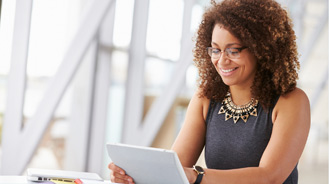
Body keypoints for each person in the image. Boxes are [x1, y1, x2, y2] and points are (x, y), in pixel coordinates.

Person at [108, 0, 310, 183]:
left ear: (262, 49)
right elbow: (174, 169)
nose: (222, 60)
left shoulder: (291, 101)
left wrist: (197, 175)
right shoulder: (206, 98)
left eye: (233, 50)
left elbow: (269, 177)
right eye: (215, 49)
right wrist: (134, 176)